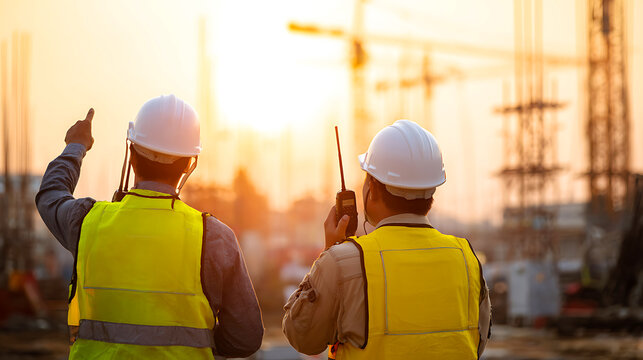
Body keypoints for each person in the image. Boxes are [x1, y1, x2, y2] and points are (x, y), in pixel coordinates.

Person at [35, 95, 263, 359]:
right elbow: (245, 338)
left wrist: (76, 146)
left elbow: (50, 195)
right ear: (190, 163)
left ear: (131, 154)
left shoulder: (88, 221)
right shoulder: (214, 237)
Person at [282, 120, 491, 359]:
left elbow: (302, 336)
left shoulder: (343, 261)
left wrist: (328, 252)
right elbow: (477, 341)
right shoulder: (467, 259)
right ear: (432, 189)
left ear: (372, 186)